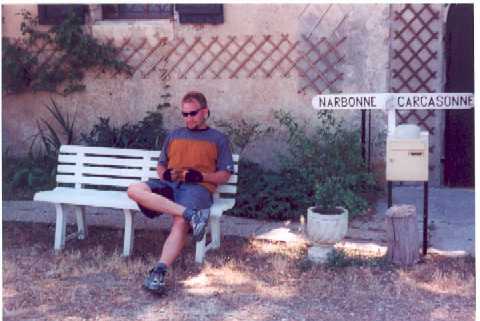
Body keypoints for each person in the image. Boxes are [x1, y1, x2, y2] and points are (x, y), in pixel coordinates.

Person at [127, 91, 234, 295]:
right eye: (184, 114)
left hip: (197, 188)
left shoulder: (218, 139)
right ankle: (191, 215)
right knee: (134, 189)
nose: (188, 118)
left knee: (179, 222)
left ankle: (159, 271)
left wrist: (199, 177)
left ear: (205, 112)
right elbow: (161, 166)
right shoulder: (174, 135)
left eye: (192, 113)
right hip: (170, 184)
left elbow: (224, 175)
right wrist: (166, 173)